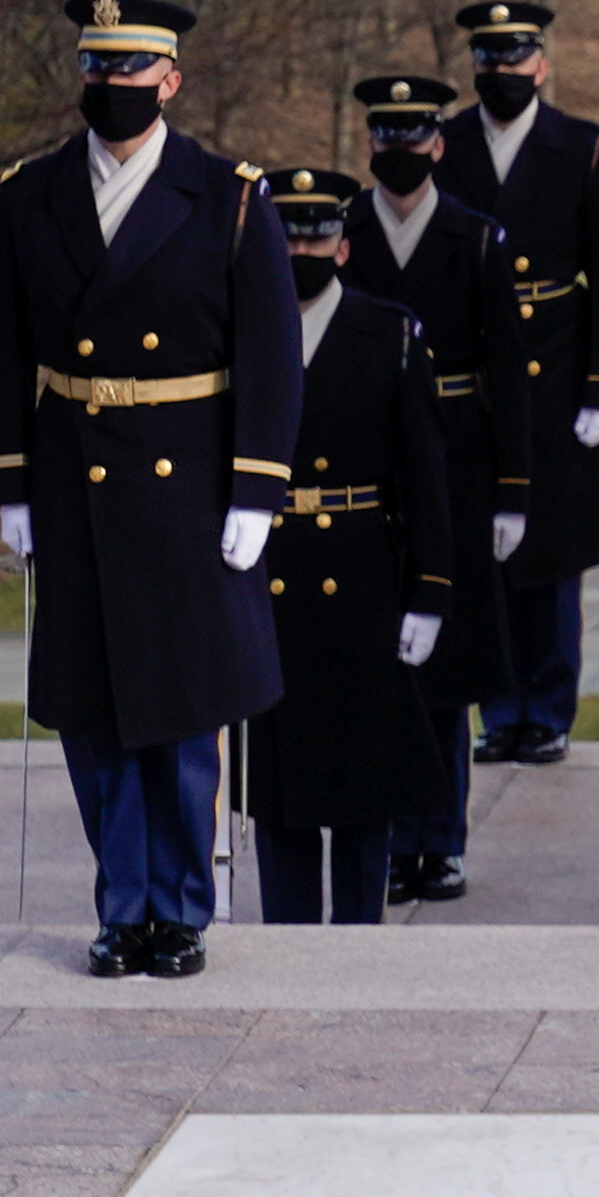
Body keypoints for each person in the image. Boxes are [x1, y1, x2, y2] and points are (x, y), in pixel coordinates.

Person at [0, 0, 300, 981]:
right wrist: (12, 482)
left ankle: (181, 910)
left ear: (170, 79)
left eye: (130, 72)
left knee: (180, 713)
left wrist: (256, 491)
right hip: (76, 480)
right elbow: (1, 349)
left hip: (187, 485)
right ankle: (121, 908)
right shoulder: (30, 196)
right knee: (94, 714)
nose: (110, 88)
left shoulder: (229, 195)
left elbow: (273, 356)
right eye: (95, 70)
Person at [241, 170, 454, 925]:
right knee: (282, 799)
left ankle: (360, 942)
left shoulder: (389, 333)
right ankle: (290, 939)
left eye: (317, 233)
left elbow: (426, 477)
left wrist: (430, 591)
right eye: (287, 234)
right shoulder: (241, 334)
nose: (303, 247)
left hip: (363, 578)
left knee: (365, 795)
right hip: (268, 574)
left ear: (342, 245)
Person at [432, 0, 599, 769]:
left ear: (541, 66)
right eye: (489, 61)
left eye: (515, 59)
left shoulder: (582, 149)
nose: (503, 72)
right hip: (482, 371)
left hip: (554, 369)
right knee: (486, 553)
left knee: (550, 553)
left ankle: (547, 709)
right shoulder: (445, 149)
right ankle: (501, 708)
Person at [346, 72, 527, 903]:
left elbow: (509, 378)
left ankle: (440, 839)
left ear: (437, 145)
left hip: (456, 466)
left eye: (413, 137)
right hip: (372, 465)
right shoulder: (342, 233)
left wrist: (513, 491)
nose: (399, 151)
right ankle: (391, 837)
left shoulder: (476, 239)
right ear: (370, 145)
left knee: (446, 672)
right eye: (385, 138)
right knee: (385, 668)